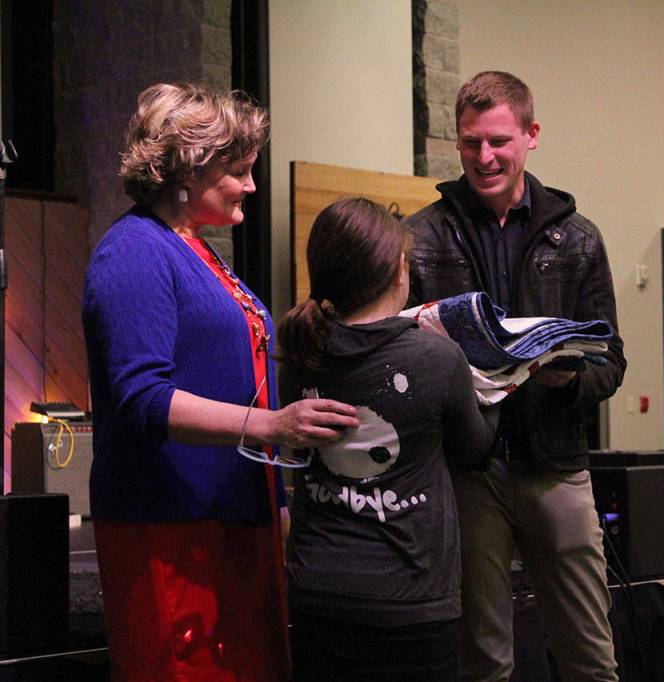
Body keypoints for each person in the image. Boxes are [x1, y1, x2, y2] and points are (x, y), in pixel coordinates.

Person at [82, 82, 359, 682]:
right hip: (170, 526)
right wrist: (270, 425)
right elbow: (143, 397)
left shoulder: (195, 249)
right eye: (240, 171)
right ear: (188, 168)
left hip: (231, 518)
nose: (252, 187)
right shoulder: (133, 253)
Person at [404, 71, 627, 682]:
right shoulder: (421, 238)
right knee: (484, 657)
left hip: (555, 464)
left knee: (588, 653)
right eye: (471, 142)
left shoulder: (578, 239)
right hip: (470, 471)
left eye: (499, 140)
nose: (484, 156)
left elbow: (612, 362)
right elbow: (400, 352)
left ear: (532, 135)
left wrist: (570, 380)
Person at [276, 197, 497, 681]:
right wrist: (495, 387)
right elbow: (473, 450)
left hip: (317, 592)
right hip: (410, 601)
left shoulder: (299, 352)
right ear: (399, 271)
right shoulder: (437, 359)